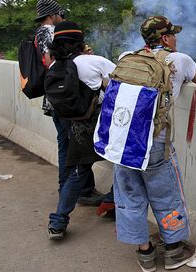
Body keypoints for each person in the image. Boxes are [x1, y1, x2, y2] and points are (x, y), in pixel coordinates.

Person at [112, 16, 196, 272]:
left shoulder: (127, 56)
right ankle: (173, 250)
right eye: (173, 35)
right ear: (164, 38)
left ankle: (145, 253)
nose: (176, 39)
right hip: (155, 142)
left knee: (130, 195)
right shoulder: (180, 60)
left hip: (122, 141)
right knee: (166, 195)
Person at [47, 21, 117, 240]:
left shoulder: (55, 66)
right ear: (80, 42)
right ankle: (112, 201)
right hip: (99, 122)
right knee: (126, 163)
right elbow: (123, 82)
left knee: (78, 172)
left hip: (75, 125)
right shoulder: (94, 61)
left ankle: (58, 222)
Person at [35, 0, 103, 205]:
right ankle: (78, 191)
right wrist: (81, 56)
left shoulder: (38, 33)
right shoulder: (49, 31)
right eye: (60, 14)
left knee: (65, 144)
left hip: (55, 96)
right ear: (53, 14)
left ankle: (69, 188)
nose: (62, 17)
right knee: (74, 148)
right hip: (67, 96)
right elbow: (51, 61)